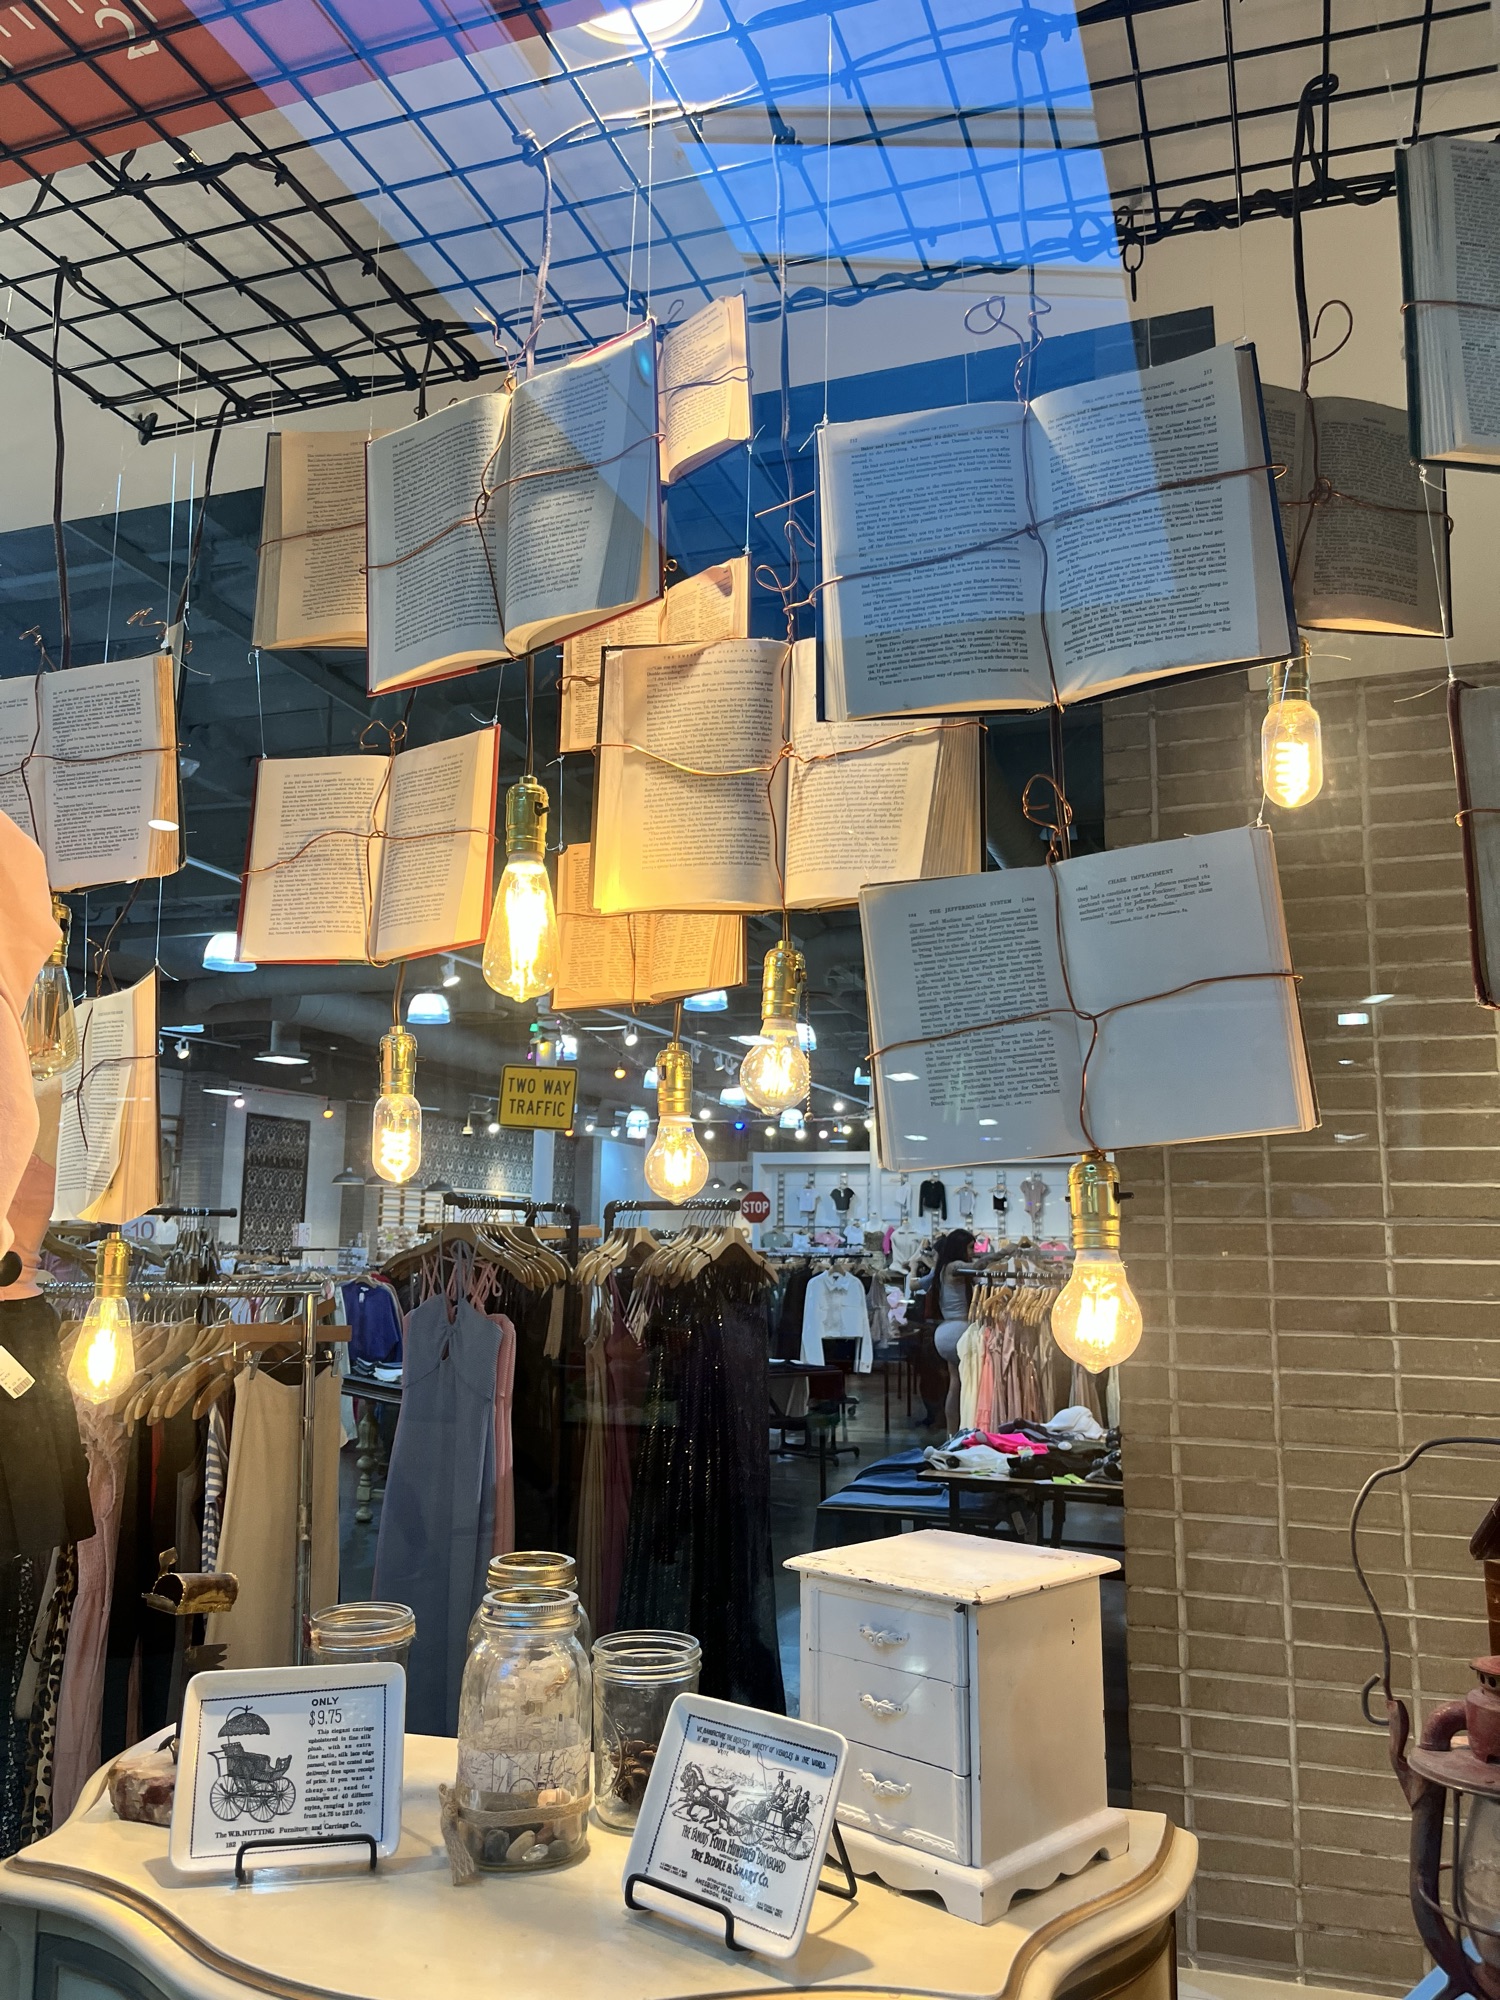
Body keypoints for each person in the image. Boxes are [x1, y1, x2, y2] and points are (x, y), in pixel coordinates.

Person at [921, 1229, 974, 1434]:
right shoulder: (955, 1267)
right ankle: (964, 1429)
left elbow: (916, 1284)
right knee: (968, 1384)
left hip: (944, 1332)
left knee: (955, 1383)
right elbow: (978, 1267)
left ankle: (952, 1433)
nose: (972, 1252)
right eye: (970, 1247)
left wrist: (915, 1267)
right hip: (960, 1331)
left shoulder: (942, 1269)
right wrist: (1004, 1254)